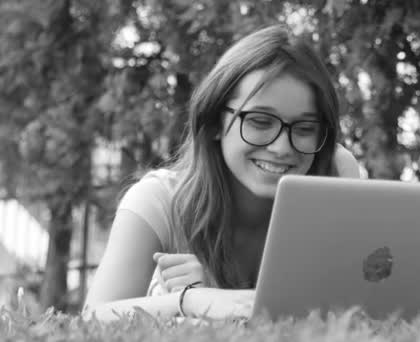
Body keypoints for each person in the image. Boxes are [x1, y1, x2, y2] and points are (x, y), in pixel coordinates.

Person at [83, 24, 361, 321]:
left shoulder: (333, 173)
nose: (282, 148)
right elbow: (93, 317)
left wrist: (222, 295)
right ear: (215, 122)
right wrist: (191, 300)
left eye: (305, 129)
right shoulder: (157, 200)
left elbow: (353, 304)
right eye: (259, 121)